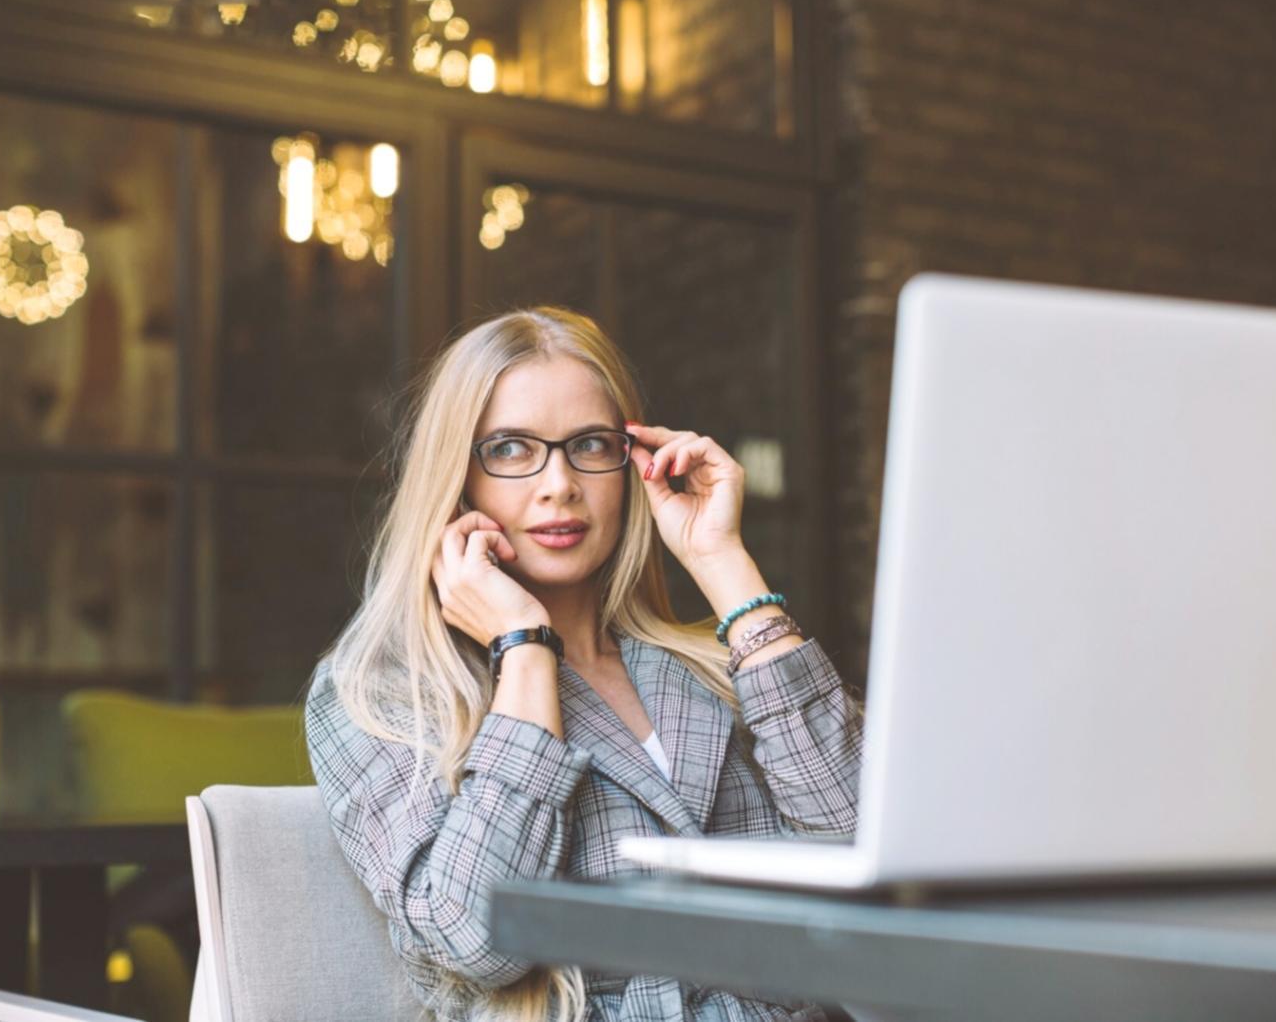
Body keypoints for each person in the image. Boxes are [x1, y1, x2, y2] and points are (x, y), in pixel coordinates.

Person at [306, 306, 862, 1022]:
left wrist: (720, 560)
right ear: (457, 475)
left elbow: (862, 854)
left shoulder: (709, 669)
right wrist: (523, 651)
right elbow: (474, 936)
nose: (559, 484)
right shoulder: (377, 690)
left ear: (630, 464)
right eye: (509, 449)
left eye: (590, 444)